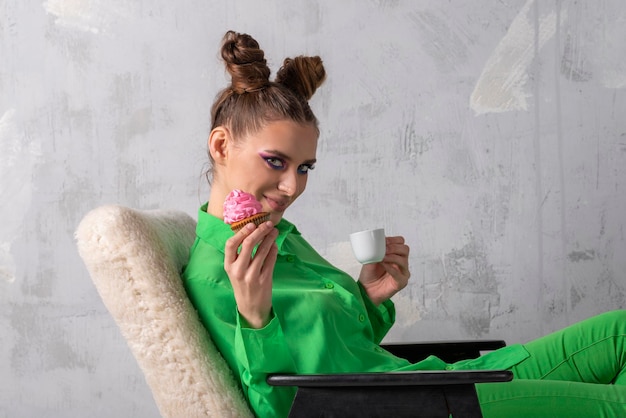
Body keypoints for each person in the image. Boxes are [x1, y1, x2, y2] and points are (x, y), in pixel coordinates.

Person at [182, 30, 626, 417]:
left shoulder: (281, 237)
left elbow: (339, 357)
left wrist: (368, 299)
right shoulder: (215, 277)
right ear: (221, 145)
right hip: (423, 406)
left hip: (434, 383)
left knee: (620, 332)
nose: (292, 186)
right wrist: (256, 319)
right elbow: (286, 409)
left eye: (304, 168)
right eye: (276, 161)